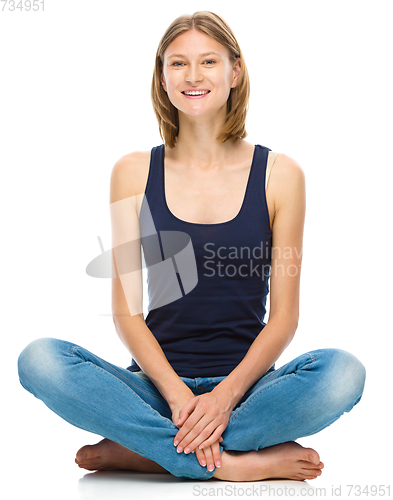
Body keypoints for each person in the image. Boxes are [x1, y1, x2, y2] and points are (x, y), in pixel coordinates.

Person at [17, 11, 366, 482]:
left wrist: (222, 399)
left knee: (344, 372)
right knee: (39, 360)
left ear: (234, 71)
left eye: (208, 61)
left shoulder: (281, 175)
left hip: (248, 393)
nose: (194, 76)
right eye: (178, 64)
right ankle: (233, 463)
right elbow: (126, 312)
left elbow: (284, 318)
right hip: (157, 390)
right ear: (162, 78)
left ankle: (145, 450)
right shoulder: (133, 171)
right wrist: (180, 398)